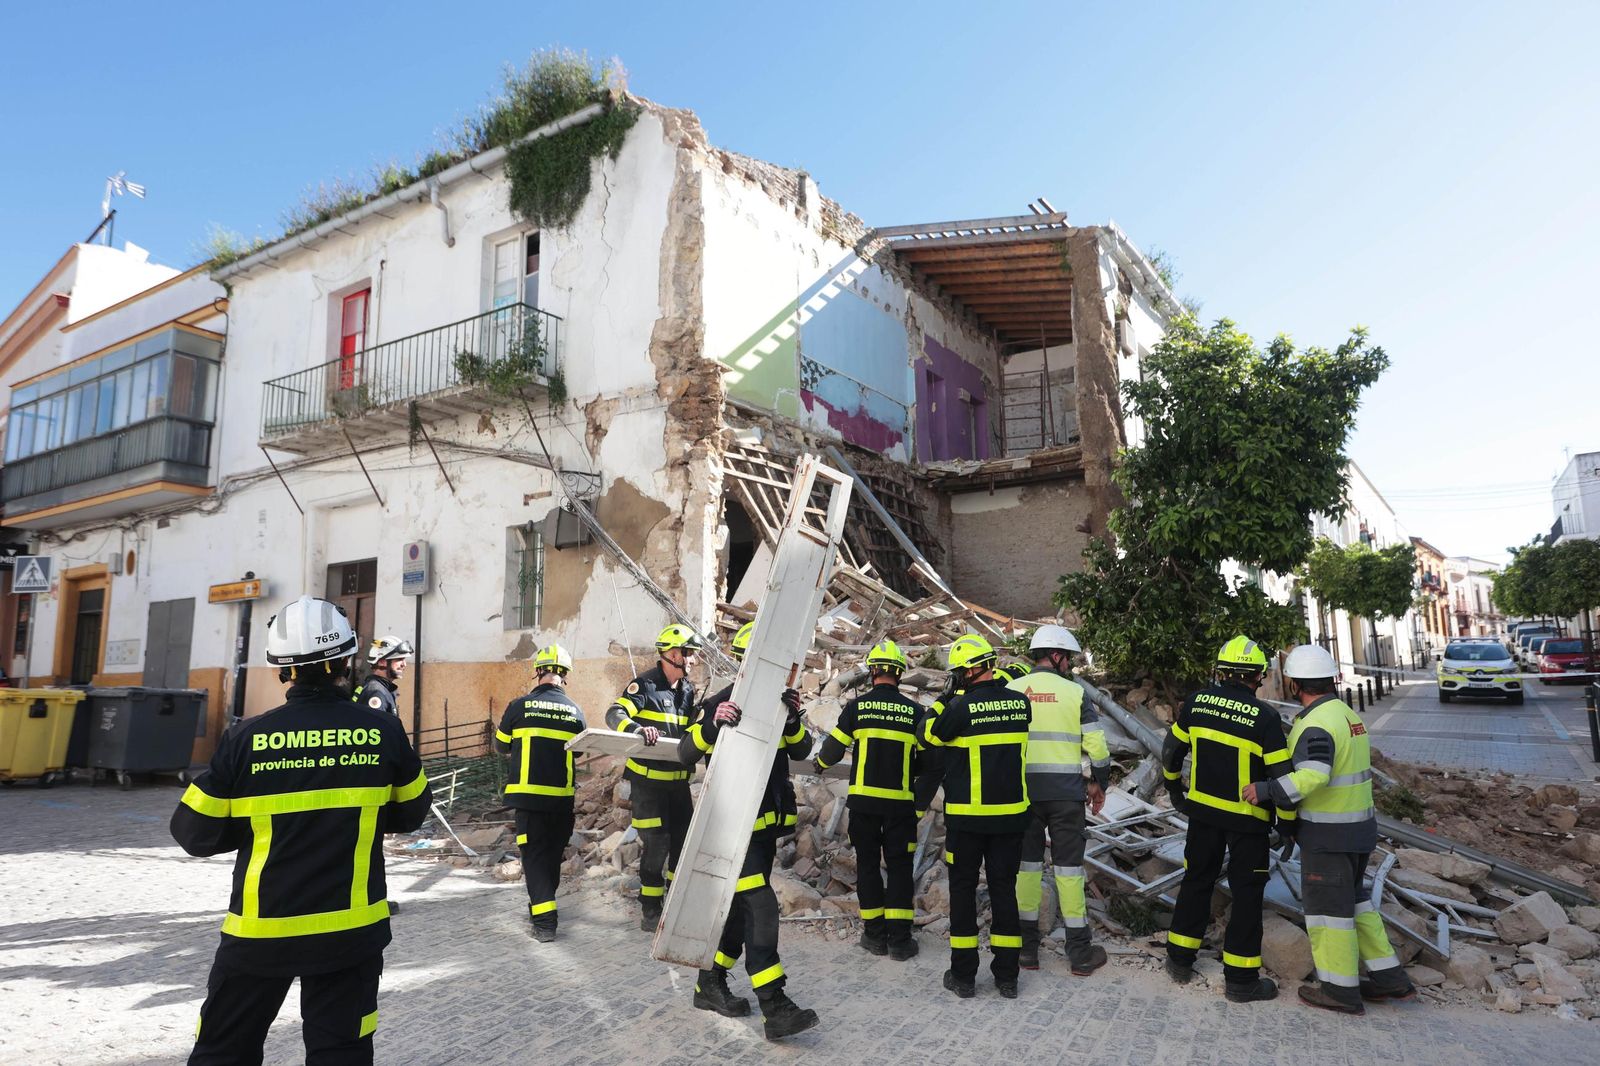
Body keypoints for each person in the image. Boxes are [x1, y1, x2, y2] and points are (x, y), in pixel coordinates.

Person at [171, 596, 432, 1066]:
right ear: (348, 660)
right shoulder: (381, 731)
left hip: (259, 934)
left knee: (223, 1051)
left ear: (281, 670)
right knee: (341, 1054)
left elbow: (194, 834)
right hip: (350, 934)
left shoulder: (245, 739)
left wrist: (251, 826)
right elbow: (412, 812)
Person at [1248, 644, 1415, 1014]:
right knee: (1357, 907)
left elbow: (1314, 775)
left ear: (1294, 684)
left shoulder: (1316, 724)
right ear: (1331, 679)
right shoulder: (1345, 714)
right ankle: (1392, 980)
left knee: (1328, 916)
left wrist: (1268, 791)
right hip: (1356, 831)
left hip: (1329, 836)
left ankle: (1339, 991)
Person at [679, 621, 820, 1041]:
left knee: (741, 913)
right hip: (728, 833)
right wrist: (712, 724)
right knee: (761, 907)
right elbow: (686, 752)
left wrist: (792, 716)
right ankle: (774, 1005)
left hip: (759, 834)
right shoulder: (721, 702)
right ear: (745, 665)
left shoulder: (780, 706)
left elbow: (802, 750)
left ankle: (710, 982)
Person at [1160, 636, 1291, 1003]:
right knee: (1248, 896)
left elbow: (1172, 750)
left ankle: (1180, 959)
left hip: (1202, 813)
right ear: (1259, 676)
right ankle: (1241, 981)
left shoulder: (1198, 703)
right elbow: (1282, 779)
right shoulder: (1266, 718)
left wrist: (1173, 789)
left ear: (1221, 671)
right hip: (1248, 822)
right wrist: (1288, 823)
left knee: (1196, 881)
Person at [923, 633, 1032, 999]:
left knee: (963, 893)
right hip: (1011, 820)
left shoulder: (959, 708)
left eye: (957, 672)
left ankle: (964, 976)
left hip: (968, 822)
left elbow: (928, 736)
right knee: (1004, 891)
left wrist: (944, 699)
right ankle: (1007, 977)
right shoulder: (1021, 704)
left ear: (969, 672)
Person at [813, 639, 924, 960]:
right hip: (901, 807)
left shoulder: (857, 708)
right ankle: (901, 942)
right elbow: (930, 761)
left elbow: (832, 751)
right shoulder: (916, 712)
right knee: (901, 869)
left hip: (864, 806)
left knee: (868, 867)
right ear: (899, 674)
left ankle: (874, 936)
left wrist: (820, 764)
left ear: (872, 672)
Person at [1008, 624, 1110, 975]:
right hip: (1066, 796)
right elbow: (1097, 747)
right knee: (1068, 870)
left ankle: (1026, 951)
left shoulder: (1010, 690)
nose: (1069, 664)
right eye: (1067, 658)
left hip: (1022, 796)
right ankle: (1080, 954)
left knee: (1027, 868)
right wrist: (1100, 784)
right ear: (1055, 656)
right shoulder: (1075, 694)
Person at [606, 624, 701, 930]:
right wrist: (637, 729)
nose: (693, 661)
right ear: (673, 654)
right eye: (690, 655)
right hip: (647, 786)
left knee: (682, 845)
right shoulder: (644, 686)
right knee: (656, 845)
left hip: (677, 785)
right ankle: (650, 909)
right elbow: (614, 714)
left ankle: (673, 904)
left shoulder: (687, 691)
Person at [493, 644, 585, 942]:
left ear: (538, 672)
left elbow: (501, 746)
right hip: (561, 801)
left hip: (529, 800)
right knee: (551, 857)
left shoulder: (519, 706)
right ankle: (542, 908)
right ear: (565, 676)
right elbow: (580, 751)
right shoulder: (575, 711)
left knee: (533, 858)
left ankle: (545, 921)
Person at [352, 635, 413, 717]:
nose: (404, 664)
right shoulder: (376, 691)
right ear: (382, 662)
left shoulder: (380, 688)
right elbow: (375, 727)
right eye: (399, 659)